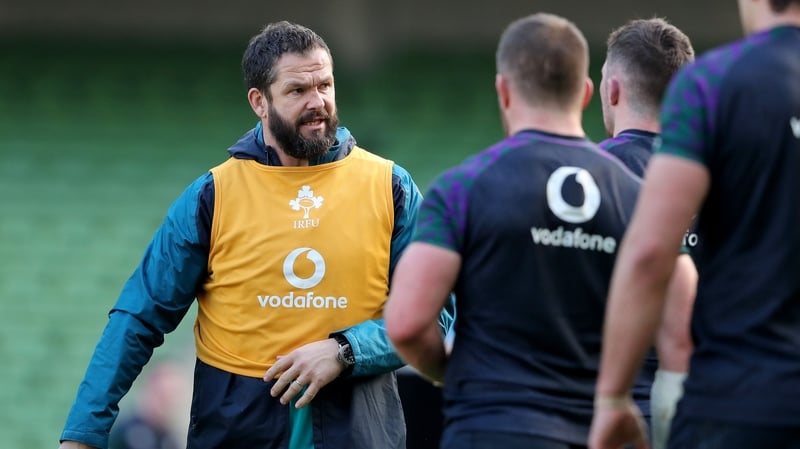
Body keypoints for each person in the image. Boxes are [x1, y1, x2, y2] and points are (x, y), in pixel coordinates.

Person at [58, 21, 453, 449]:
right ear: (259, 102)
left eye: (325, 85)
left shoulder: (391, 187)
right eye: (297, 91)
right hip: (236, 431)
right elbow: (138, 316)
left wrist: (346, 351)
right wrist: (85, 431)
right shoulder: (212, 195)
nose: (317, 102)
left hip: (358, 430)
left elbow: (435, 315)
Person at [385, 12, 691, 449]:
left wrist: (449, 372)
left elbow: (408, 323)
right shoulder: (639, 195)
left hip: (493, 425)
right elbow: (679, 313)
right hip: (606, 430)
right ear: (586, 93)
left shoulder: (463, 186)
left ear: (503, 91)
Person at [589, 1, 800, 448]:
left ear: (611, 90)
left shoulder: (716, 85)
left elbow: (650, 254)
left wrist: (609, 397)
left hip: (737, 395)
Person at [597, 18, 697, 449]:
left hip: (614, 410)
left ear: (613, 89)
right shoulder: (730, 172)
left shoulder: (587, 176)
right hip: (716, 401)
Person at [108, 360, 187, 449]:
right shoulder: (124, 431)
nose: (168, 405)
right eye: (162, 396)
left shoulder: (169, 439)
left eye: (173, 397)